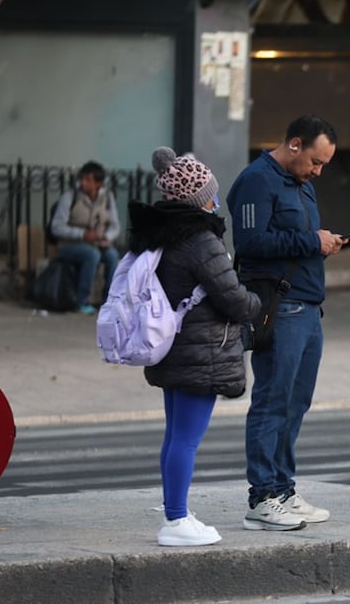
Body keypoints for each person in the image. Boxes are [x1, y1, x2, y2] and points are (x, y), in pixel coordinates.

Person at [131, 147, 261, 546]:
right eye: (211, 191)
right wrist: (260, 303)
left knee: (175, 436)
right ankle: (175, 519)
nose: (215, 198)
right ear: (200, 198)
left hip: (174, 346)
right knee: (186, 438)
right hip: (200, 349)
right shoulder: (201, 240)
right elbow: (234, 297)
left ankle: (177, 511)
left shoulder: (163, 235)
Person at [227, 114, 348, 531]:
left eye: (323, 165)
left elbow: (299, 240)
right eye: (314, 161)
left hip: (309, 306)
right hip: (280, 306)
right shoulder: (257, 180)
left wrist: (323, 243)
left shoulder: (302, 185)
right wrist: (311, 241)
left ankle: (282, 489)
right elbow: (250, 242)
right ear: (294, 144)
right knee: (273, 401)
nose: (317, 171)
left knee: (296, 403)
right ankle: (261, 497)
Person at [49, 160, 121, 314]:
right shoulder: (70, 196)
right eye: (82, 179)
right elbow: (56, 227)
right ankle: (82, 301)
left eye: (88, 180)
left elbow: (115, 225)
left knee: (112, 255)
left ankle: (109, 300)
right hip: (69, 245)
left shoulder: (107, 197)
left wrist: (106, 238)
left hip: (96, 243)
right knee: (92, 255)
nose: (83, 183)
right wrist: (81, 234)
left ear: (98, 183)